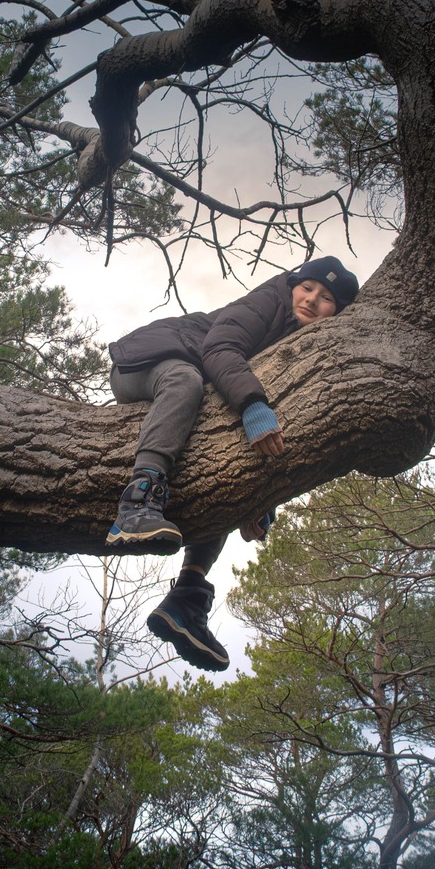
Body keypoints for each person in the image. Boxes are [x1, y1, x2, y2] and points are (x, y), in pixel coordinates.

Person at [104, 256, 361, 670]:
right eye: (307, 287)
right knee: (184, 380)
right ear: (294, 284)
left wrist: (261, 500)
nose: (311, 300)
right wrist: (254, 407)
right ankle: (136, 504)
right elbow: (219, 348)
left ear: (338, 312)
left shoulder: (302, 346)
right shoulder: (269, 301)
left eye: (327, 298)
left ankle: (185, 600)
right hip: (148, 360)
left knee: (230, 470)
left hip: (198, 380)